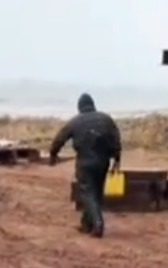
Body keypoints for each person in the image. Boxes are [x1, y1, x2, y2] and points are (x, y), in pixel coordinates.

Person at [48, 92, 123, 238]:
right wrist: (117, 159)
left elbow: (60, 138)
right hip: (103, 161)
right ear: (93, 105)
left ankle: (97, 223)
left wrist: (53, 155)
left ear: (80, 107)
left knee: (88, 193)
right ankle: (86, 224)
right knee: (97, 192)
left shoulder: (76, 122)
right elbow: (116, 138)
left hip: (85, 162)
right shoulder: (106, 119)